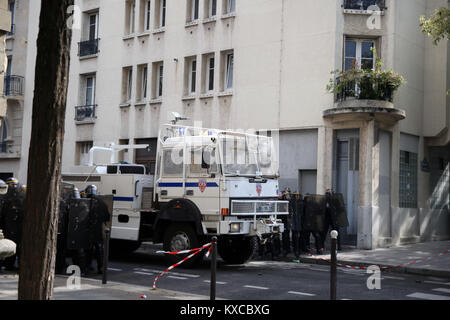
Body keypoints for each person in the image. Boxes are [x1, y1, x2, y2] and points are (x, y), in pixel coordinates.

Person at [1, 177, 26, 271]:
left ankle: (16, 265)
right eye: (11, 185)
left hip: (18, 228)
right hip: (9, 228)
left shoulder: (22, 198)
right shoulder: (5, 199)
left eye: (15, 185)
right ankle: (9, 265)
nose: (13, 187)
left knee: (19, 248)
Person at [84, 185, 110, 274]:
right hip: (99, 229)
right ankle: (101, 267)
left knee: (88, 249)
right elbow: (107, 217)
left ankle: (87, 266)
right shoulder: (102, 202)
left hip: (88, 229)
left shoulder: (86, 202)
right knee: (99, 249)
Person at [291, 191, 304, 259]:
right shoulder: (292, 203)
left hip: (300, 221)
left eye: (298, 195)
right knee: (295, 236)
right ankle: (295, 250)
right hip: (294, 222)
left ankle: (299, 250)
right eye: (295, 195)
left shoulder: (301, 203)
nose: (297, 196)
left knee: (300, 237)